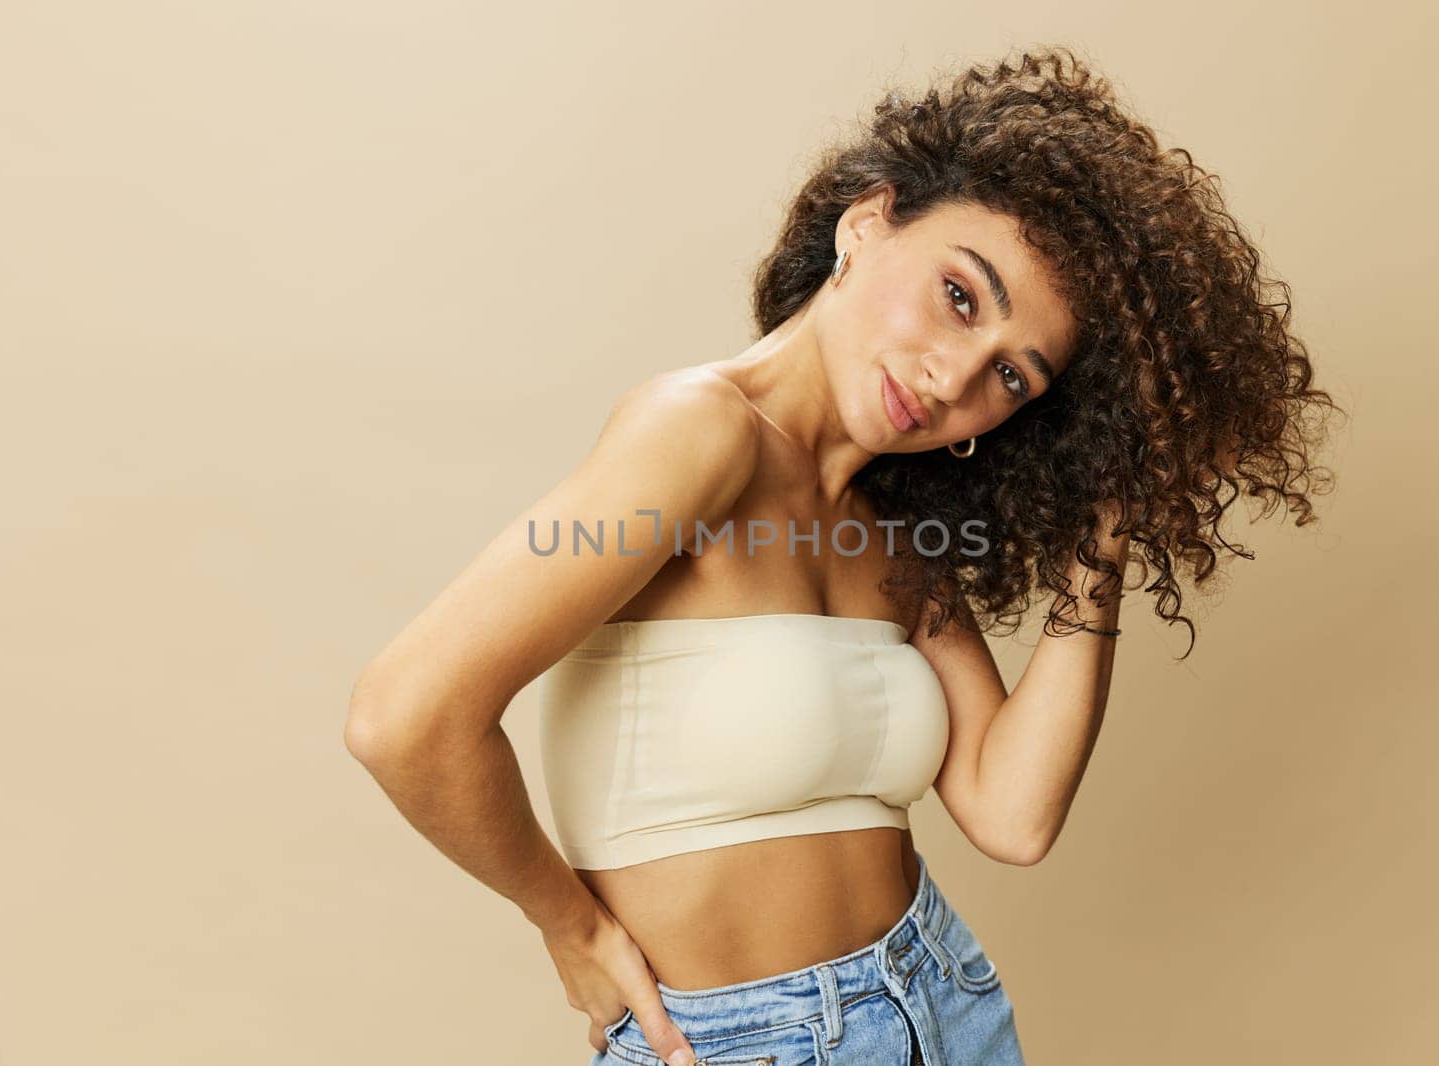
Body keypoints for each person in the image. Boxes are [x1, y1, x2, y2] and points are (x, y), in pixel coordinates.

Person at [344, 46, 1341, 1065]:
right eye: (960, 295)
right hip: (743, 1042)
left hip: (944, 1008)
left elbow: (1014, 810)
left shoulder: (895, 531)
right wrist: (569, 923)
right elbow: (407, 717)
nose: (956, 375)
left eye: (1011, 375)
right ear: (866, 221)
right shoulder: (702, 432)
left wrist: (1109, 517)